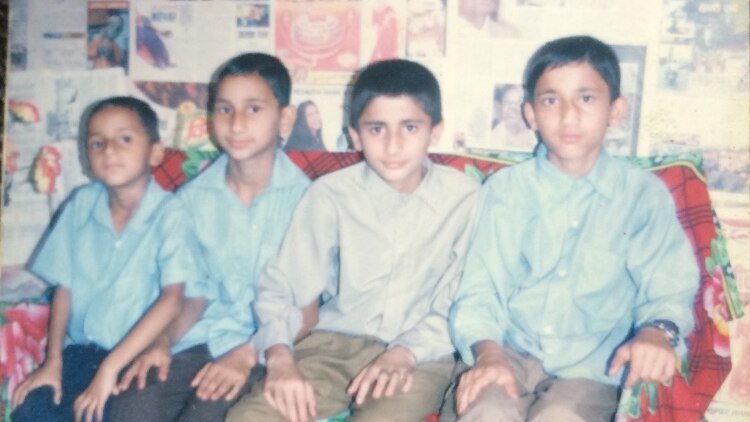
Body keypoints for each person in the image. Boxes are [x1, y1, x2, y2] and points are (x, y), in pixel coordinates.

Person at [444, 35, 700, 421]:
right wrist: (488, 353)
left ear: (616, 111)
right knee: (485, 413)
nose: (568, 115)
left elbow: (669, 287)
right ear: (530, 113)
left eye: (586, 98)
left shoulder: (642, 195)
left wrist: (655, 333)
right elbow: (481, 288)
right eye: (551, 100)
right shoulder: (505, 192)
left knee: (560, 416)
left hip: (594, 368)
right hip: (508, 353)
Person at [227, 59, 480, 422]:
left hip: (418, 354)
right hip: (331, 347)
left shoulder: (465, 199)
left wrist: (405, 352)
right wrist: (280, 357)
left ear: (434, 131)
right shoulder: (331, 194)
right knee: (251, 417)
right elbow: (286, 284)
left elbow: (458, 300)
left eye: (409, 127)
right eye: (377, 129)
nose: (393, 145)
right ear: (356, 135)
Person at [109, 52, 314, 422]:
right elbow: (193, 296)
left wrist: (249, 353)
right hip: (198, 342)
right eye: (224, 109)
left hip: (269, 347)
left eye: (253, 109)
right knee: (130, 406)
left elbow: (310, 311)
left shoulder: (309, 201)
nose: (236, 124)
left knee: (207, 414)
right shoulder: (190, 200)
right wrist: (162, 342)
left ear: (284, 118)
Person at [10, 96, 204, 422]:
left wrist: (109, 370)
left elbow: (173, 299)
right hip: (78, 353)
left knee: (108, 414)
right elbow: (65, 288)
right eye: (97, 143)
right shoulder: (80, 204)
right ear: (87, 156)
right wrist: (52, 361)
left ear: (156, 152)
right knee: (33, 408)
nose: (109, 150)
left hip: (133, 356)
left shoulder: (171, 214)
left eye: (124, 139)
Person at [490, 84, 537, 152]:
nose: (512, 108)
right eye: (507, 102)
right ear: (502, 106)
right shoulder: (493, 138)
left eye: (518, 102)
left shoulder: (539, 136)